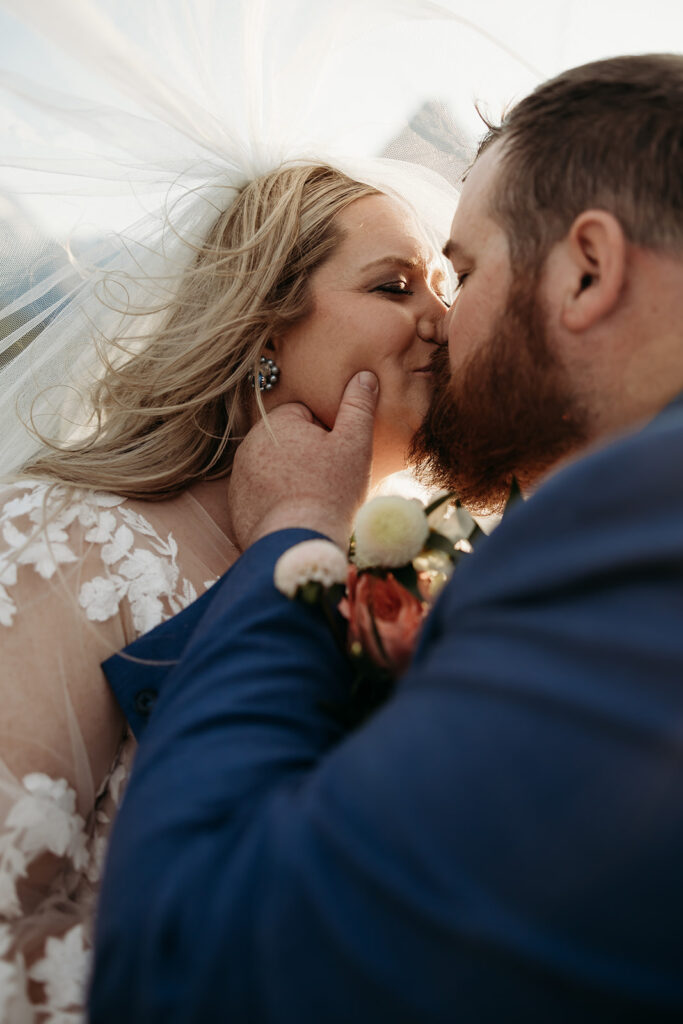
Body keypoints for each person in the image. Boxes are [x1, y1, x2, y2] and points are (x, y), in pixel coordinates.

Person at [91, 53, 683, 1022]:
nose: (444, 324)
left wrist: (291, 538)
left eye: (464, 270)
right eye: (406, 282)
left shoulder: (624, 569)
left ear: (586, 269)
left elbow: (189, 962)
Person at [0, 162, 451, 1022]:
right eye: (396, 286)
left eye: (445, 285)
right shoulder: (68, 540)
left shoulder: (388, 594)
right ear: (262, 331)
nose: (442, 319)